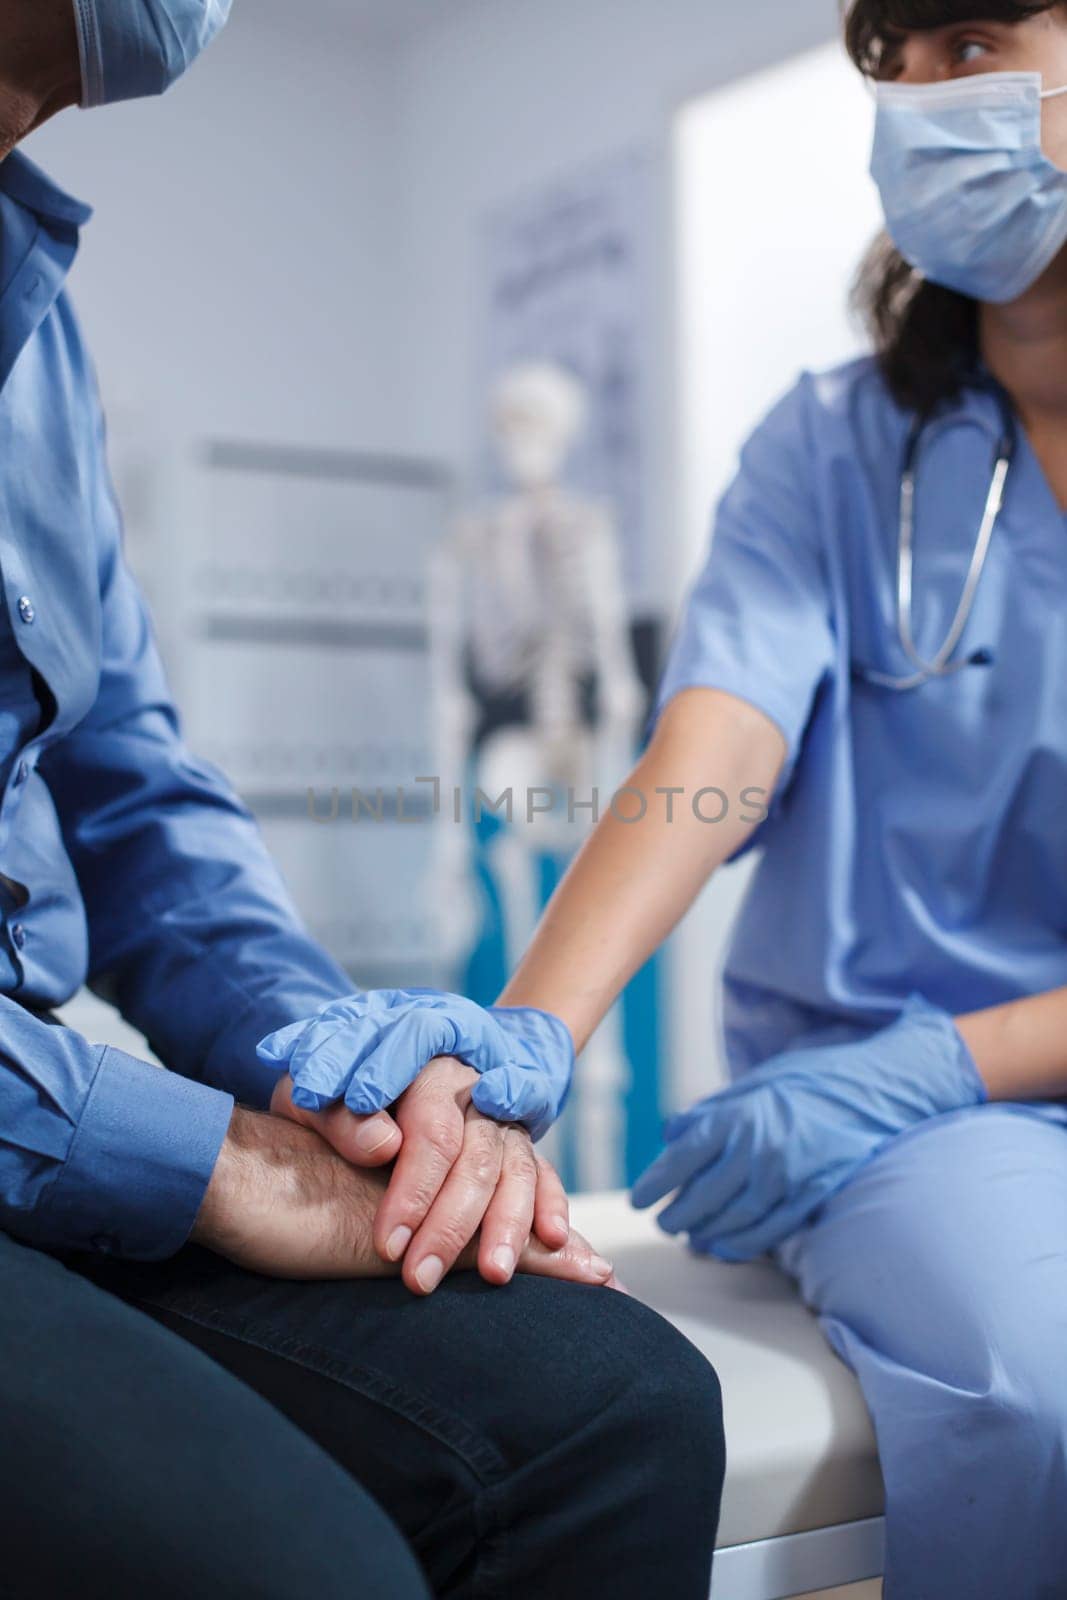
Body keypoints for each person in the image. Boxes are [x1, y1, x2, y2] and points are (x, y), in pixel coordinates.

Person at [295, 3, 1067, 1595]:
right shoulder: (835, 452)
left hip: (940, 1070)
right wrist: (527, 1038)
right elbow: (710, 762)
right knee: (1041, 1393)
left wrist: (944, 1058)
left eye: (972, 40)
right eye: (893, 65)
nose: (919, 101)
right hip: (927, 1130)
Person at [0, 4, 727, 1596]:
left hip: (43, 1109)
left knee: (621, 1404)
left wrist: (334, 1069)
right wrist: (215, 1164)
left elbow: (133, 801)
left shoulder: (32, 322)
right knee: (294, 1564)